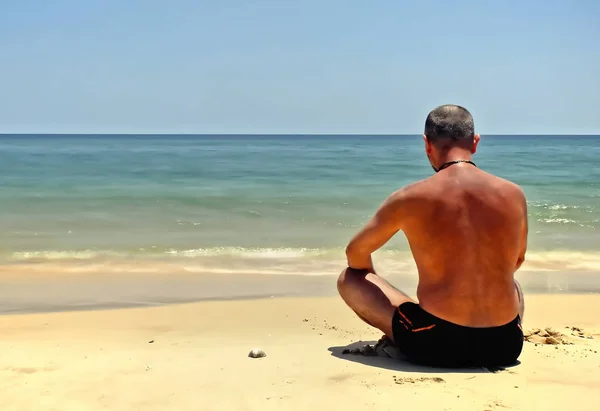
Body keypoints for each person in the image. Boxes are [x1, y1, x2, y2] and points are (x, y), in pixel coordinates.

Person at [337, 104, 527, 368]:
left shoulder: (410, 197)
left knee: (350, 279)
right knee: (514, 284)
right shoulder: (514, 194)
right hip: (505, 344)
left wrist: (374, 281)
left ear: (427, 144)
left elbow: (354, 254)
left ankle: (403, 335)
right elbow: (516, 260)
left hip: (436, 344)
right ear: (475, 143)